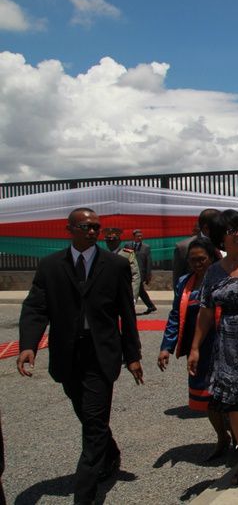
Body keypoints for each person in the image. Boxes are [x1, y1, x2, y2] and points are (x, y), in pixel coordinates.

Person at [17, 207, 143, 505]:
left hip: (101, 354)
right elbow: (36, 308)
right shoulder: (50, 266)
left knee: (94, 423)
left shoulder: (115, 265)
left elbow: (127, 313)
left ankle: (84, 495)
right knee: (88, 417)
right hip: (67, 356)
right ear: (69, 229)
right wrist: (28, 345)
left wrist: (132, 356)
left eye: (96, 227)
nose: (93, 231)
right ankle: (110, 454)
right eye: (86, 226)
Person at [188, 210, 238, 485]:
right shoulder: (213, 272)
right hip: (228, 346)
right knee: (236, 407)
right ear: (220, 238)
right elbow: (206, 311)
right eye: (232, 230)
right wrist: (195, 347)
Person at [158, 237, 231, 460]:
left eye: (201, 259)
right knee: (207, 398)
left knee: (229, 397)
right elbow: (174, 316)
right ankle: (222, 437)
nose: (197, 264)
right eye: (192, 261)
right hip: (198, 349)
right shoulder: (184, 283)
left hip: (224, 346)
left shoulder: (225, 279)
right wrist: (165, 347)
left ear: (212, 258)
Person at [172, 209, 220, 289]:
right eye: (219, 226)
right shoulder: (184, 247)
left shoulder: (227, 244)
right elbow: (177, 282)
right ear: (206, 228)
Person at [102, 227, 141, 299]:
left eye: (113, 240)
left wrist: (132, 296)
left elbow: (135, 276)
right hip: (106, 295)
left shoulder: (127, 254)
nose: (111, 243)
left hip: (123, 294)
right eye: (108, 241)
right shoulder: (102, 255)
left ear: (119, 241)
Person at [129, 228, 157, 314]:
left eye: (141, 236)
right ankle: (151, 306)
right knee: (140, 291)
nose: (140, 237)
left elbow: (148, 262)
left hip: (141, 273)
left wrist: (148, 275)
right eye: (138, 236)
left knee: (137, 290)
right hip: (130, 272)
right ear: (134, 237)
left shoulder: (146, 247)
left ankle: (131, 308)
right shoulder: (128, 246)